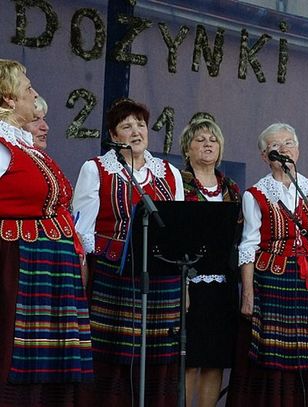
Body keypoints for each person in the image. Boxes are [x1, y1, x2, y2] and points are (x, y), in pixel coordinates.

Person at [72, 98, 184, 406]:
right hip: (114, 276)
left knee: (159, 357)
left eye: (141, 125)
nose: (136, 132)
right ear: (113, 135)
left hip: (161, 278)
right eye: (126, 126)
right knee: (112, 356)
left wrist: (184, 287)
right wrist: (86, 275)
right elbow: (83, 231)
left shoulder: (169, 172)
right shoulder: (96, 169)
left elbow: (177, 229)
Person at [0, 59, 92, 406]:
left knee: (49, 364)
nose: (34, 93)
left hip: (48, 269)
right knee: (16, 352)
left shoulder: (25, 147)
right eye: (27, 89)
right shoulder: (2, 146)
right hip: (19, 264)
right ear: (8, 99)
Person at [226, 123, 308, 407]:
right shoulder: (255, 194)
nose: (283, 149)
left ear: (298, 150)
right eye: (275, 145)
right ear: (264, 156)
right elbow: (248, 246)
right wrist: (247, 293)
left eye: (289, 143)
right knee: (273, 353)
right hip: (272, 279)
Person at [179, 116, 242, 407]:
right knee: (191, 359)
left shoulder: (231, 188)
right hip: (189, 281)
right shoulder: (178, 182)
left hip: (223, 283)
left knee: (215, 360)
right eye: (200, 140)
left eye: (213, 140)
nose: (208, 144)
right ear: (187, 149)